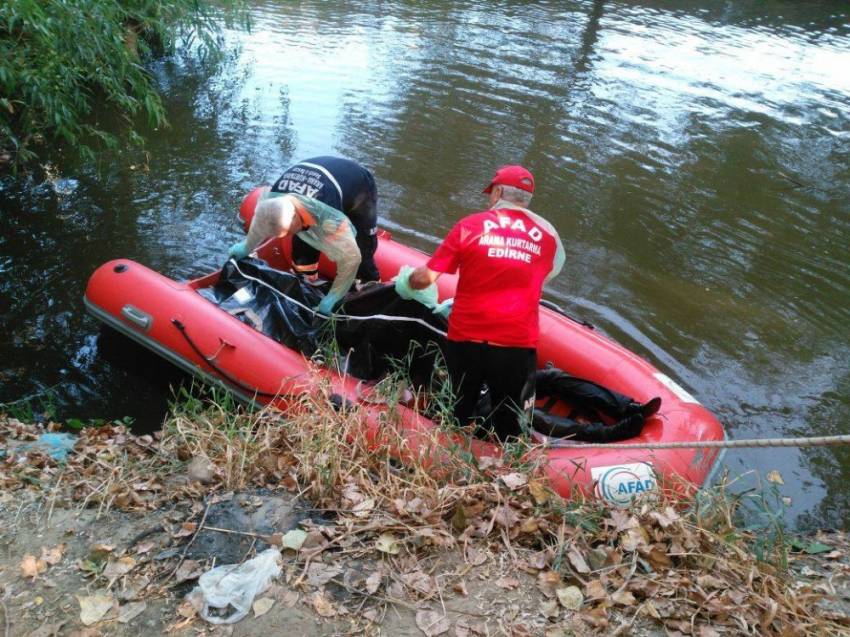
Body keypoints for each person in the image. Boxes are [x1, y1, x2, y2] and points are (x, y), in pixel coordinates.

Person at [404, 165, 565, 441]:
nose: (488, 198)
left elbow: (425, 279)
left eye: (491, 193)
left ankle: (451, 450)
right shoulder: (549, 236)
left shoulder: (470, 226)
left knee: (459, 405)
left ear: (499, 192)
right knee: (510, 415)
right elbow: (548, 273)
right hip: (515, 342)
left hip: (467, 337)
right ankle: (504, 460)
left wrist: (407, 280)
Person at [229, 156, 381, 314]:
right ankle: (307, 279)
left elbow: (352, 258)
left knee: (363, 248)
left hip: (359, 186)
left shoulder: (327, 215)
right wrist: (245, 247)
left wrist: (332, 298)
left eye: (287, 232)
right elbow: (259, 225)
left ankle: (368, 286)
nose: (284, 236)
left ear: (295, 216)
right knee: (302, 242)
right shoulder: (272, 200)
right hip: (316, 177)